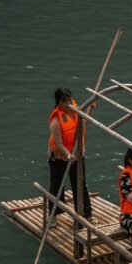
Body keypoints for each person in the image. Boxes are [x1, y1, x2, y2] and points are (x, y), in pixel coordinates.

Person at [47, 87, 92, 223]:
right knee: (56, 185)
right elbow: (58, 143)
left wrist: (91, 109)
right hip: (59, 157)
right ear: (59, 102)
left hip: (77, 154)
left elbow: (84, 124)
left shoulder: (76, 111)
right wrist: (67, 155)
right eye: (64, 101)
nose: (68, 104)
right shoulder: (56, 120)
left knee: (80, 184)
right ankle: (53, 215)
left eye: (69, 100)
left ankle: (87, 214)